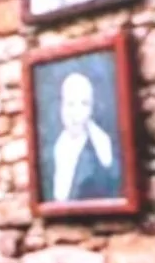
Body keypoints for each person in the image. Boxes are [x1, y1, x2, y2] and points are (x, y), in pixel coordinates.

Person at [48, 72, 120, 201]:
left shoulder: (101, 152)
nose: (76, 112)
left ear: (91, 109)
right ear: (61, 106)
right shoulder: (51, 149)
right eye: (70, 104)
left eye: (84, 104)